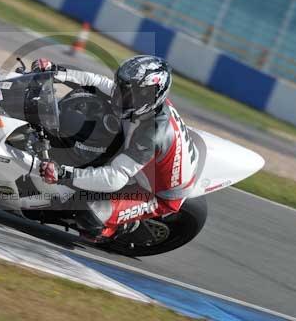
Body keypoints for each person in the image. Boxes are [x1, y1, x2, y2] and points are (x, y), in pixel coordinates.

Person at [32, 55, 199, 239]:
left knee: (88, 212)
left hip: (156, 192)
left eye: (128, 93)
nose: (120, 96)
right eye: (121, 88)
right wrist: (56, 71)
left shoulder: (151, 134)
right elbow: (98, 82)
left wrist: (64, 174)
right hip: (141, 159)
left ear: (149, 96)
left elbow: (116, 177)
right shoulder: (142, 102)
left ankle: (120, 228)